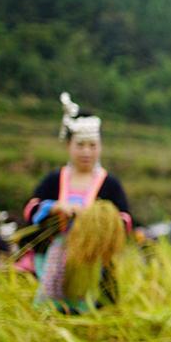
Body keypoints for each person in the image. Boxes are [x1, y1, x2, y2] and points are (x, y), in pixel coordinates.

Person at [23, 92, 132, 312]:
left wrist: (97, 220)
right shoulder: (55, 179)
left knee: (92, 315)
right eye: (80, 145)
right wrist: (54, 207)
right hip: (56, 260)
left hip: (95, 261)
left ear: (100, 147)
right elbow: (30, 209)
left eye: (92, 146)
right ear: (68, 146)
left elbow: (126, 221)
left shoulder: (109, 184)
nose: (86, 152)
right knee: (53, 312)